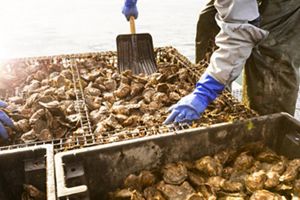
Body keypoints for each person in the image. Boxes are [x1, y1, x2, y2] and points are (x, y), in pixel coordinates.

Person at [122, 0, 300, 124]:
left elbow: (238, 36)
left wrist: (205, 92)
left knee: (272, 53)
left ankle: (268, 126)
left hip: (285, 4)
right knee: (209, 23)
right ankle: (219, 96)